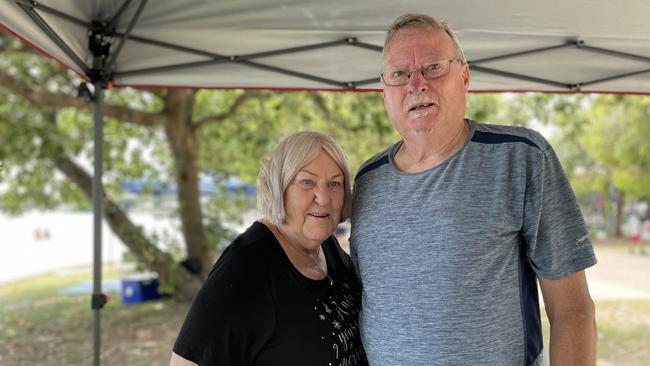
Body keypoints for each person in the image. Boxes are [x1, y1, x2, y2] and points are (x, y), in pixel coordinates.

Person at [350, 14, 597, 366]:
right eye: (399, 74)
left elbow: (573, 309)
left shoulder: (520, 157)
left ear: (464, 77)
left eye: (433, 67)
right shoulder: (367, 180)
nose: (416, 84)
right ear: (384, 90)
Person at [171, 131, 367, 366]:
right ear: (279, 187)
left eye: (334, 183)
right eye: (307, 181)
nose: (323, 198)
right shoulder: (246, 267)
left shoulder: (327, 246)